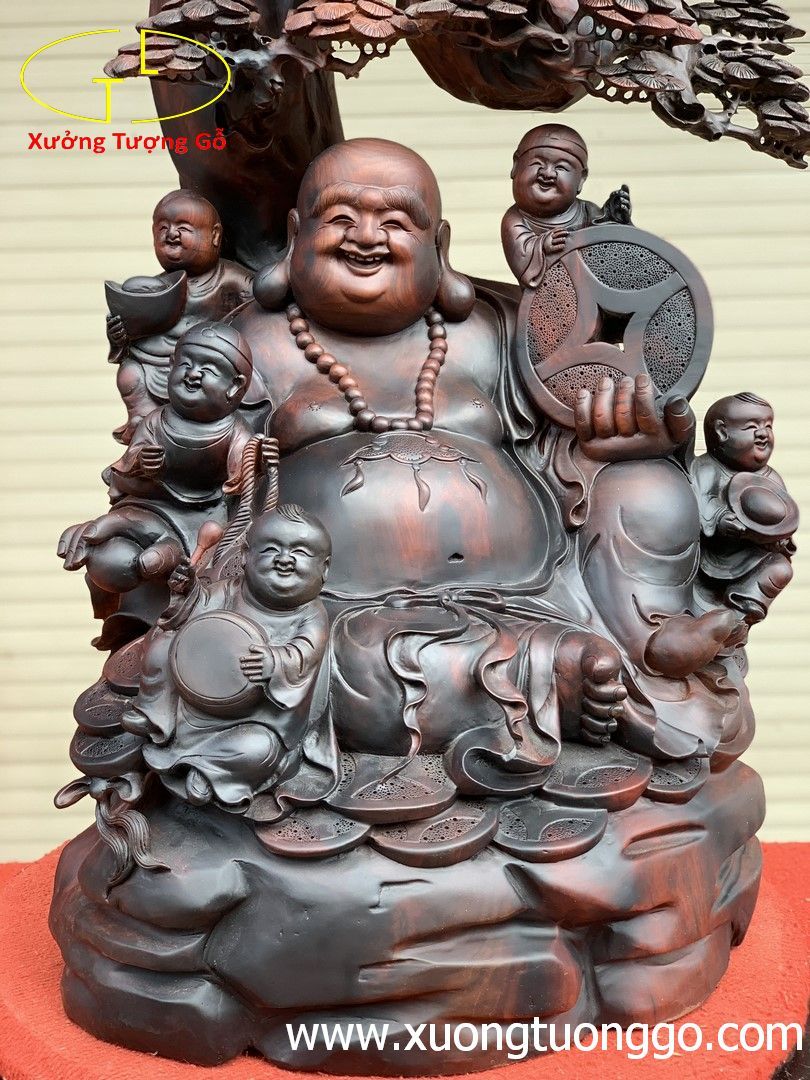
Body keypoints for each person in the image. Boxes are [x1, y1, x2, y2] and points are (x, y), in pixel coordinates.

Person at [231, 137, 748, 781]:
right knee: (350, 670)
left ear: (440, 244)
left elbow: (564, 430)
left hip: (537, 586)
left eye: (396, 221)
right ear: (295, 234)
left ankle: (648, 634)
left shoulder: (498, 326)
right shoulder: (249, 341)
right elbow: (197, 458)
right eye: (340, 217)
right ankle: (552, 679)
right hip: (338, 603)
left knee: (646, 486)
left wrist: (626, 436)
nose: (365, 237)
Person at [122, 505, 336, 814]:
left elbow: (305, 652)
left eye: (300, 552)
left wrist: (275, 662)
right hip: (189, 709)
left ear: (324, 569)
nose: (284, 559)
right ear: (246, 556)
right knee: (164, 640)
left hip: (256, 719)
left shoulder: (310, 616)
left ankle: (208, 770)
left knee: (260, 750)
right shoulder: (229, 591)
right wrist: (186, 590)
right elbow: (196, 606)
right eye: (271, 549)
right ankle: (155, 714)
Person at [106, 189, 254, 442]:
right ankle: (142, 417)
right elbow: (135, 332)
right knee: (130, 373)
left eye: (183, 228)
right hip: (160, 361)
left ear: (215, 236)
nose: (171, 234)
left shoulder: (229, 278)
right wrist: (120, 336)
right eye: (162, 228)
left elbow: (258, 305)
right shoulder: (152, 288)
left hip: (204, 366)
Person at [104, 322, 254, 508]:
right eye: (185, 364)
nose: (192, 374)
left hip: (211, 504)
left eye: (208, 370)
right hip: (157, 499)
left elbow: (244, 470)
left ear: (235, 386)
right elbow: (132, 458)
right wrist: (142, 460)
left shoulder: (235, 430)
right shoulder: (156, 420)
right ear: (172, 365)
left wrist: (259, 459)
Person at [692, 392, 796, 626]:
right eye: (751, 427)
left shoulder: (770, 477)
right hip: (715, 555)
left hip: (755, 553)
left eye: (768, 426)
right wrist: (719, 518)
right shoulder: (707, 468)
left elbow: (784, 515)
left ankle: (743, 607)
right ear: (722, 432)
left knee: (781, 568)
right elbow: (701, 500)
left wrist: (780, 537)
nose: (763, 433)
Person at [501, 124, 632, 289]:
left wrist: (617, 220)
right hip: (549, 296)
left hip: (597, 291)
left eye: (561, 167)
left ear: (581, 179)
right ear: (515, 165)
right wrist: (543, 245)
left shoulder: (588, 211)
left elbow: (616, 250)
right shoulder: (516, 219)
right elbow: (522, 260)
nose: (548, 173)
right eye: (537, 163)